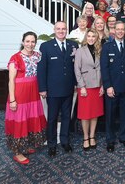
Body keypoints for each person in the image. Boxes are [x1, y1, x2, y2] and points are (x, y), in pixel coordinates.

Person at [5, 31, 47, 164]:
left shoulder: (38, 55)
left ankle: (26, 145)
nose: (30, 44)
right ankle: (17, 152)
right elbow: (11, 80)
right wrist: (12, 99)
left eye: (33, 41)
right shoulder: (15, 58)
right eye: (27, 41)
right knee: (20, 121)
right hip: (20, 94)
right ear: (23, 42)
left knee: (30, 119)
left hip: (33, 93)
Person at [38, 21, 78, 157]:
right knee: (52, 118)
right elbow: (42, 69)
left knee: (67, 117)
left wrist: (76, 84)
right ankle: (52, 144)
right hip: (52, 90)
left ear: (67, 30)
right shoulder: (46, 46)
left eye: (64, 29)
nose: (61, 31)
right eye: (59, 29)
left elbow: (75, 68)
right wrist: (42, 88)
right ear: (54, 30)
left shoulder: (73, 45)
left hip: (68, 88)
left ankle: (65, 141)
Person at [100, 21, 125, 152]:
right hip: (112, 88)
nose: (120, 31)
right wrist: (107, 86)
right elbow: (104, 68)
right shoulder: (107, 46)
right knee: (110, 115)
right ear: (113, 31)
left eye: (122, 29)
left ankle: (123, 137)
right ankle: (110, 140)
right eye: (118, 29)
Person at [74, 29, 104, 151]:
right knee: (85, 115)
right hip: (85, 87)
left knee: (94, 114)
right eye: (89, 36)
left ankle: (92, 136)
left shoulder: (100, 50)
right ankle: (86, 137)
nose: (91, 38)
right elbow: (77, 69)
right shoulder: (80, 51)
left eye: (94, 36)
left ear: (97, 38)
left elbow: (103, 69)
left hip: (98, 86)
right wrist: (82, 87)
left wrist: (103, 85)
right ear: (86, 37)